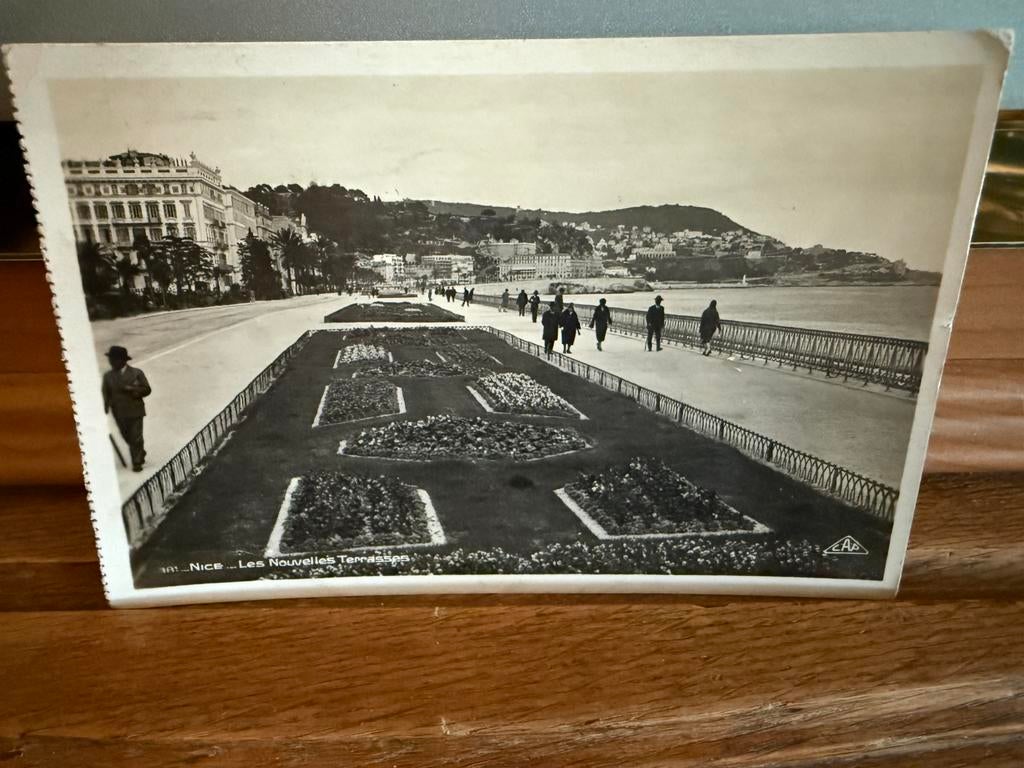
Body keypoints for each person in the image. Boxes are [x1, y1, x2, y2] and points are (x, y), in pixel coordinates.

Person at [102, 345, 152, 472]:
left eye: (114, 359)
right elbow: (106, 393)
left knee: (136, 437)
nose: (111, 362)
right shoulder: (108, 376)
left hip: (135, 410)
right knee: (127, 437)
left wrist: (134, 390)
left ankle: (137, 463)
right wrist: (104, 408)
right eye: (110, 359)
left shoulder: (136, 373)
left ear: (123, 360)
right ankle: (140, 452)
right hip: (118, 412)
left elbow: (147, 389)